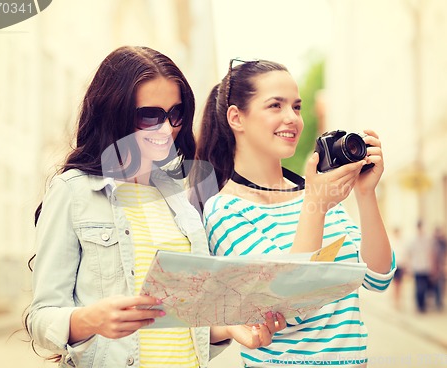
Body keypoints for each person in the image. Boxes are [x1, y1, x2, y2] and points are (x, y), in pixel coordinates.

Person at [25, 46, 285, 368]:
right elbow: (41, 318)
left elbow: (182, 317)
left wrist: (229, 326)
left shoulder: (179, 197)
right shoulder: (74, 191)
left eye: (175, 114)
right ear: (115, 113)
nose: (166, 130)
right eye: (150, 116)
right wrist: (89, 319)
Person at [194, 58, 395, 367]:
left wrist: (366, 194)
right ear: (236, 118)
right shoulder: (225, 209)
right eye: (276, 106)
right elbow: (283, 305)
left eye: (297, 107)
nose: (292, 118)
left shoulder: (315, 192)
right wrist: (316, 206)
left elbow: (378, 278)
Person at [406, 220, 435, 313]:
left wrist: (432, 266)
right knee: (419, 287)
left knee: (425, 287)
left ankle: (423, 305)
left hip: (426, 266)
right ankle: (419, 305)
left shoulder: (427, 239)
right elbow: (409, 254)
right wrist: (409, 267)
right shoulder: (413, 240)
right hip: (417, 267)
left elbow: (430, 253)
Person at [432, 226, 447, 311]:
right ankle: (437, 302)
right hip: (436, 268)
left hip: (441, 267)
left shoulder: (443, 242)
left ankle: (440, 301)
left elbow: (446, 254)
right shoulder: (433, 242)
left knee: (441, 284)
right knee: (436, 285)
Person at [389, 227, 407, 309]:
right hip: (394, 265)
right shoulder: (392, 242)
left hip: (400, 265)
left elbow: (404, 254)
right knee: (395, 283)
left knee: (399, 284)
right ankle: (395, 300)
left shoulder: (402, 242)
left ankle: (398, 299)